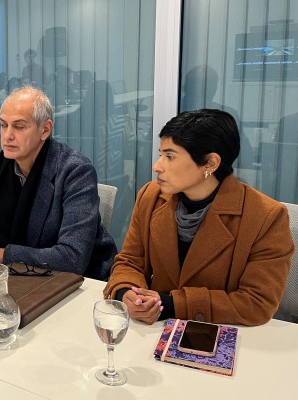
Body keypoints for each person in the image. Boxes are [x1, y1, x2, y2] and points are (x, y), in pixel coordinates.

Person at [102, 109, 293, 326]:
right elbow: (130, 262)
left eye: (170, 157)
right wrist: (127, 293)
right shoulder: (151, 196)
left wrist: (174, 304)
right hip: (151, 329)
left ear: (210, 163)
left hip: (219, 334)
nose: (157, 166)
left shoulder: (266, 217)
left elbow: (257, 302)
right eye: (160, 154)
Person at [0, 86, 117, 282]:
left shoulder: (75, 171)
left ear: (45, 130)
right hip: (15, 277)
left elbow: (72, 257)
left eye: (19, 126)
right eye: (3, 125)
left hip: (81, 282)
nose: (7, 136)